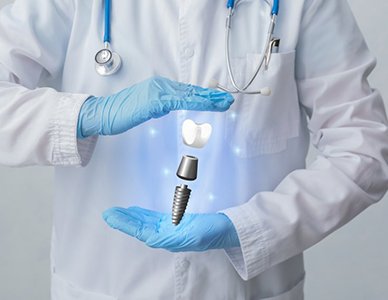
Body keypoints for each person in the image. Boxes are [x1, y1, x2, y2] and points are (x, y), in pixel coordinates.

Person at [0, 0, 387, 299]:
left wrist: (249, 227)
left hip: (247, 290)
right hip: (104, 283)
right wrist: (87, 114)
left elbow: (363, 145)